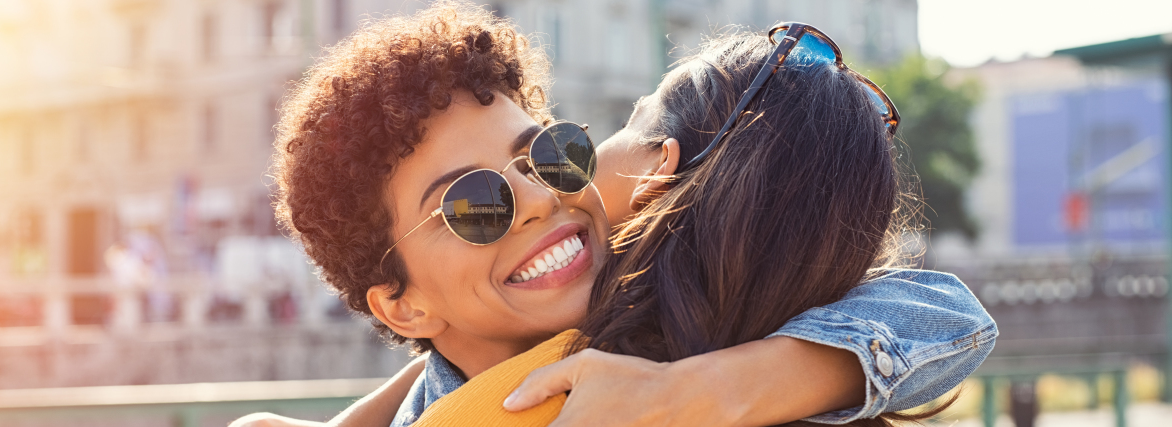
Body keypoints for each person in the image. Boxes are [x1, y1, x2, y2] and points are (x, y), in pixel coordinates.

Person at [233, 3, 995, 427]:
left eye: (551, 155)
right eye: (475, 206)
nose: (538, 197)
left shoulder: (673, 347)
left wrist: (693, 394)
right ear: (402, 300)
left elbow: (950, 312)